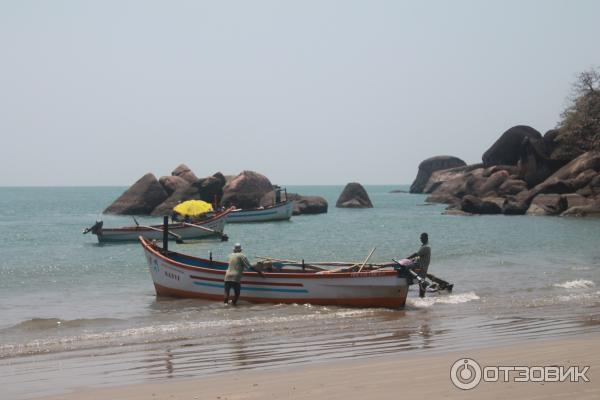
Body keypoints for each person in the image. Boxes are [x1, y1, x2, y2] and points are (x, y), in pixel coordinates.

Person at [406, 232, 431, 298]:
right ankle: (422, 297)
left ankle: (408, 281)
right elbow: (419, 256)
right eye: (420, 238)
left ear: (426, 238)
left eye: (422, 238)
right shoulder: (423, 246)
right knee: (421, 283)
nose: (421, 239)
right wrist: (413, 259)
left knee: (406, 267)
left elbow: (416, 254)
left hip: (421, 267)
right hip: (420, 265)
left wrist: (406, 259)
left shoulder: (426, 247)